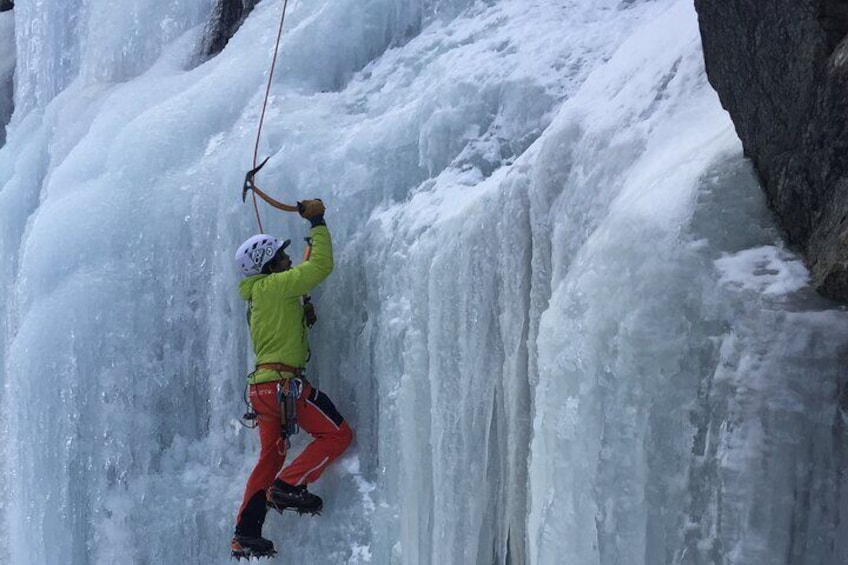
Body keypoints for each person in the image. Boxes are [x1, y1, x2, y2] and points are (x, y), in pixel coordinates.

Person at [230, 199, 353, 560]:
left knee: (269, 458)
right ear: (270, 266)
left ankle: (246, 532)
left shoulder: (262, 295)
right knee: (337, 434)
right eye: (280, 257)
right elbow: (318, 267)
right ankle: (288, 485)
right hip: (286, 388)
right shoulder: (276, 287)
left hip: (263, 391)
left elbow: (295, 280)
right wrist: (317, 221)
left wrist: (301, 315)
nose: (286, 260)